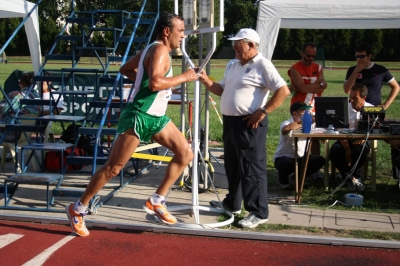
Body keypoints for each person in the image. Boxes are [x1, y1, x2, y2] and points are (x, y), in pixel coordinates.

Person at [65, 12, 199, 237]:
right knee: (113, 168)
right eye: (181, 31)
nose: (183, 36)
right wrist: (184, 77)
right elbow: (156, 82)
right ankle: (78, 209)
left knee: (185, 153)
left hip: (155, 117)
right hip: (138, 115)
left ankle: (156, 200)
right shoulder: (159, 50)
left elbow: (126, 69)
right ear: (167, 31)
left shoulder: (150, 49)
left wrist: (144, 82)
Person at [198, 28, 290, 228]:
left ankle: (258, 211)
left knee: (252, 167)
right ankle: (233, 203)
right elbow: (222, 89)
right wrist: (206, 80)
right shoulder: (232, 64)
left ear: (251, 45)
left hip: (249, 123)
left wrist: (263, 111)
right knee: (233, 164)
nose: (234, 48)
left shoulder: (263, 65)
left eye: (238, 45)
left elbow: (283, 90)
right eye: (234, 45)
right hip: (231, 122)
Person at [288, 42, 328, 180]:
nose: (311, 58)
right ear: (302, 53)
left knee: (315, 138)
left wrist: (313, 86)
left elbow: (324, 86)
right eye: (308, 55)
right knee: (301, 137)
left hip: (315, 106)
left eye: (313, 56)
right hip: (299, 108)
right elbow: (303, 88)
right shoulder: (295, 68)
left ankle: (314, 168)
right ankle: (299, 167)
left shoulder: (318, 67)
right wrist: (318, 84)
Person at [329, 84, 373, 191]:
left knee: (360, 150)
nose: (351, 100)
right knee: (335, 151)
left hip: (362, 140)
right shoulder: (344, 108)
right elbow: (339, 130)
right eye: (351, 97)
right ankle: (352, 178)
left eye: (355, 98)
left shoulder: (371, 109)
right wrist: (347, 148)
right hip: (344, 139)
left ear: (363, 98)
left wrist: (364, 137)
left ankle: (351, 177)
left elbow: (374, 129)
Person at [274, 102, 325, 189]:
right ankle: (283, 181)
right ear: (295, 113)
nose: (308, 113)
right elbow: (286, 128)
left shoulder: (311, 125)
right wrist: (303, 123)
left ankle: (298, 177)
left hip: (302, 157)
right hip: (285, 157)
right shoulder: (286, 123)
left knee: (319, 160)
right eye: (304, 111)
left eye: (308, 111)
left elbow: (322, 135)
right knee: (284, 162)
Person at [343, 42, 399, 110]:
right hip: (354, 108)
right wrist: (355, 72)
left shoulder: (380, 70)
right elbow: (347, 90)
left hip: (373, 108)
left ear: (369, 56)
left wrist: (385, 105)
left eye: (362, 56)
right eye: (357, 56)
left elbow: (396, 86)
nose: (359, 59)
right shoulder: (352, 70)